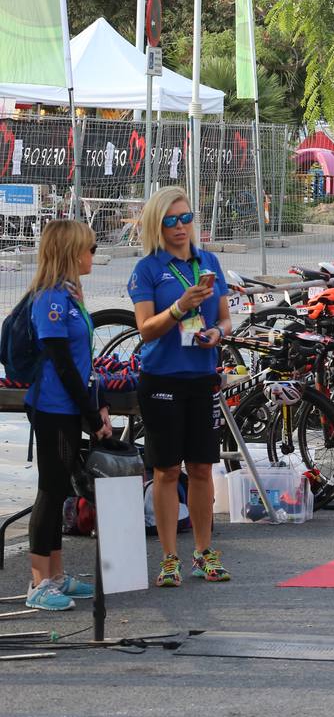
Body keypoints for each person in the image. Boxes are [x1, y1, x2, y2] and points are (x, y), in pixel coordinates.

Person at [129, 186, 233, 587]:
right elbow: (145, 330)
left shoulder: (208, 263)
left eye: (186, 218)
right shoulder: (148, 269)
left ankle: (205, 552)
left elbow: (225, 318)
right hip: (162, 379)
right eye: (171, 220)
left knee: (203, 467)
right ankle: (169, 557)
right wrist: (179, 308)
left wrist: (217, 334)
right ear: (158, 225)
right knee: (167, 469)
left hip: (201, 377)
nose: (180, 227)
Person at [21, 220, 109, 611]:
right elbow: (62, 364)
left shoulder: (70, 294)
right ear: (72, 253)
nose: (94, 254)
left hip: (69, 406)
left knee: (59, 492)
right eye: (89, 248)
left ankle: (55, 575)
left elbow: (81, 359)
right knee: (51, 490)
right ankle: (39, 581)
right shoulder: (51, 298)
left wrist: (96, 402)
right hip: (55, 407)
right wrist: (91, 414)